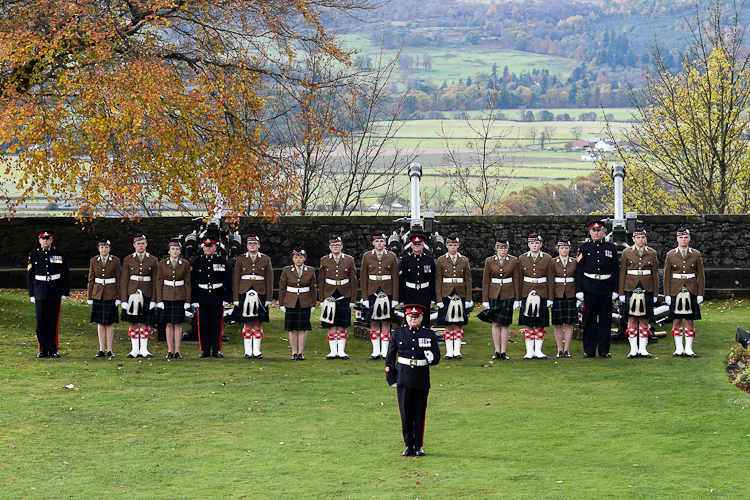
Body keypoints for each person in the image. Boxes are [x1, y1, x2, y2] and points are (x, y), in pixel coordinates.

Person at [384, 304, 441, 457]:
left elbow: (437, 357)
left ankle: (418, 446)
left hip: (421, 378)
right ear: (406, 318)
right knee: (405, 413)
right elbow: (390, 357)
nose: (413, 319)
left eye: (416, 317)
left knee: (419, 413)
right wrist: (391, 377)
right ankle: (409, 446)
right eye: (410, 317)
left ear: (421, 318)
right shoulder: (398, 333)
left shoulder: (429, 334)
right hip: (403, 377)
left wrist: (432, 358)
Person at [575, 220, 620, 358]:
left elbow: (615, 270)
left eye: (599, 230)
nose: (596, 233)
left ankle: (604, 350)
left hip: (606, 288)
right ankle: (589, 350)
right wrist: (579, 290)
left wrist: (615, 290)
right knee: (589, 320)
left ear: (603, 232)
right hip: (589, 287)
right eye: (594, 230)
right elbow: (579, 270)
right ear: (590, 232)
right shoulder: (583, 248)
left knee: (606, 320)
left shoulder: (611, 248)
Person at [27, 229, 70, 358]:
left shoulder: (59, 253)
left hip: (54, 289)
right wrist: (31, 294)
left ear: (51, 240)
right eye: (43, 239)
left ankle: (53, 348)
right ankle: (42, 348)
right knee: (41, 322)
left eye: (48, 238)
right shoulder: (34, 254)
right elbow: (30, 275)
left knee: (53, 321)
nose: (45, 241)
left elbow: (65, 273)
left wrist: (65, 291)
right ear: (39, 241)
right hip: (40, 290)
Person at [618, 227, 660, 359]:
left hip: (647, 287)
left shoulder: (652, 253)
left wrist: (655, 294)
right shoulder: (627, 252)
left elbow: (655, 275)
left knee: (644, 318)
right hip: (630, 287)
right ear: (633, 239)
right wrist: (621, 293)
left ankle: (643, 349)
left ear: (645, 238)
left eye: (642, 237)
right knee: (631, 318)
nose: (640, 240)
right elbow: (622, 273)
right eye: (638, 237)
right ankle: (633, 349)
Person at [664, 226, 705, 357]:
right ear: (677, 239)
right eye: (681, 237)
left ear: (689, 238)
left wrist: (700, 293)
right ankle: (678, 348)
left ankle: (689, 348)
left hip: (691, 289)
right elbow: (666, 276)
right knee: (676, 320)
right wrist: (667, 294)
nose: (683, 239)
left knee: (689, 320)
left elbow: (701, 275)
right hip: (675, 290)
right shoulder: (670, 255)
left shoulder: (696, 254)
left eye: (685, 237)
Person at [191, 235, 233, 358]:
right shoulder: (197, 262)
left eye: (211, 246)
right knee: (203, 324)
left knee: (217, 324)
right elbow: (193, 282)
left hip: (217, 295)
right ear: (203, 248)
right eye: (206, 246)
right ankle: (204, 349)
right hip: (202, 296)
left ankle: (216, 349)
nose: (208, 249)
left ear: (215, 247)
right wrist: (194, 299)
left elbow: (228, 281)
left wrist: (227, 298)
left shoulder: (221, 261)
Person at [479, 237, 521, 360]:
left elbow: (516, 280)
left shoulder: (513, 260)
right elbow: (486, 281)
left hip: (508, 294)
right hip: (494, 295)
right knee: (496, 323)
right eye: (501, 247)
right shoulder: (489, 261)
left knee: (506, 323)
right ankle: (496, 351)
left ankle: (504, 351)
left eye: (505, 247)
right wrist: (485, 299)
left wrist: (517, 299)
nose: (503, 250)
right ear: (496, 248)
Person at [360, 230, 400, 360]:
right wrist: (365, 298)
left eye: (381, 241)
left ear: (385, 242)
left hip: (387, 292)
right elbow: (364, 278)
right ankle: (375, 351)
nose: (379, 243)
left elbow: (395, 278)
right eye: (377, 241)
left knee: (386, 321)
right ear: (373, 243)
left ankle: (385, 351)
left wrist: (395, 298)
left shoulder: (392, 256)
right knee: (374, 321)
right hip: (372, 292)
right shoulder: (366, 256)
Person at [232, 234, 272, 359]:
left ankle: (257, 351)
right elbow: (236, 279)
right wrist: (236, 298)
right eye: (250, 243)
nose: (252, 245)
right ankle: (248, 351)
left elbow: (269, 279)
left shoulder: (266, 259)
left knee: (258, 322)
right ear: (247, 246)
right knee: (247, 322)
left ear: (259, 245)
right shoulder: (241, 259)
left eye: (254, 243)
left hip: (261, 292)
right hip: (244, 291)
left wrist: (269, 298)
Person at [318, 235, 358, 360]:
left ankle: (341, 351)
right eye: (333, 245)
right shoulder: (324, 260)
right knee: (331, 323)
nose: (336, 247)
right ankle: (332, 351)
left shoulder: (349, 260)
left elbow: (353, 280)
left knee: (342, 323)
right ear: (330, 247)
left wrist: (352, 299)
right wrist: (321, 299)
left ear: (342, 246)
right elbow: (321, 281)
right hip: (329, 293)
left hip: (344, 293)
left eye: (338, 245)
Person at [119, 233, 159, 358]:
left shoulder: (153, 260)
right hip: (132, 294)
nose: (140, 246)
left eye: (142, 243)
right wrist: (124, 299)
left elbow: (156, 280)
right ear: (134, 245)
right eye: (138, 244)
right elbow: (124, 280)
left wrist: (154, 299)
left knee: (145, 322)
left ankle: (144, 349)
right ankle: (135, 349)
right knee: (133, 321)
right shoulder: (128, 259)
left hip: (147, 292)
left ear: (146, 244)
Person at [434, 234, 473, 359]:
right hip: (446, 294)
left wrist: (468, 299)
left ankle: (457, 350)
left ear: (458, 246)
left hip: (460, 294)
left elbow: (468, 280)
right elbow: (438, 280)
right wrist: (438, 299)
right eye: (450, 245)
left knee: (458, 323)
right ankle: (449, 351)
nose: (452, 248)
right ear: (446, 246)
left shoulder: (464, 260)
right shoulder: (441, 260)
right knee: (448, 323)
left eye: (455, 245)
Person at [517, 233, 555, 360]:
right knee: (528, 323)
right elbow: (519, 279)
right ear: (528, 244)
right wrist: (518, 298)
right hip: (527, 293)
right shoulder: (522, 258)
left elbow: (551, 279)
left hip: (542, 292)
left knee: (540, 323)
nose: (534, 245)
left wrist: (550, 298)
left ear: (541, 244)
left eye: (537, 243)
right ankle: (529, 351)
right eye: (532, 243)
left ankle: (538, 350)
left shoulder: (547, 258)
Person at [279, 246, 317, 360]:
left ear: (304, 258)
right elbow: (282, 287)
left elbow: (313, 288)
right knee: (292, 328)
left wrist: (313, 303)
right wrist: (281, 303)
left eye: (300, 257)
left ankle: (301, 352)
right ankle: (293, 352)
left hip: (305, 301)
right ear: (292, 259)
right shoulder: (287, 270)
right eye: (296, 257)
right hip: (291, 301)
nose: (298, 259)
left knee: (302, 328)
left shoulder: (310, 270)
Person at [156, 239, 191, 359]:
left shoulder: (185, 264)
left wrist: (188, 301)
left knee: (178, 324)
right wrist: (159, 300)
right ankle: (170, 350)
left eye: (177, 249)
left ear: (180, 251)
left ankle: (177, 351)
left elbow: (188, 283)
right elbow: (159, 282)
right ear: (169, 251)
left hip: (180, 296)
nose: (175, 251)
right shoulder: (162, 264)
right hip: (166, 296)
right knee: (169, 324)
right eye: (173, 249)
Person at [86, 239, 121, 359]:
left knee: (110, 322)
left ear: (109, 249)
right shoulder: (94, 261)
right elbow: (91, 279)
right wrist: (89, 296)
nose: (104, 249)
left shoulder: (115, 261)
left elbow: (119, 279)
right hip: (98, 294)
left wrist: (119, 296)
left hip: (111, 294)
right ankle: (101, 349)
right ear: (98, 249)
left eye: (106, 247)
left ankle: (110, 349)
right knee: (100, 322)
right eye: (102, 247)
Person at [399, 233, 436, 329]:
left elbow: (433, 279)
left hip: (425, 293)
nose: (417, 246)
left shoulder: (429, 260)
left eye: (419, 244)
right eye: (415, 244)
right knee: (410, 317)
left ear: (423, 246)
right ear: (411, 246)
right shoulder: (405, 260)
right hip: (409, 293)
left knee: (425, 318)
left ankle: (425, 339)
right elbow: (401, 280)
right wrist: (401, 297)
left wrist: (433, 297)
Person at [551, 237, 577, 358]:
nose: (564, 250)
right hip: (557, 294)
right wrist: (550, 298)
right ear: (558, 249)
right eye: (562, 248)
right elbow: (550, 280)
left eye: (566, 248)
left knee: (569, 323)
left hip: (571, 294)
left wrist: (578, 296)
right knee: (558, 323)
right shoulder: (552, 262)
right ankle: (559, 349)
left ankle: (567, 349)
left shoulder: (574, 262)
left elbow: (577, 279)